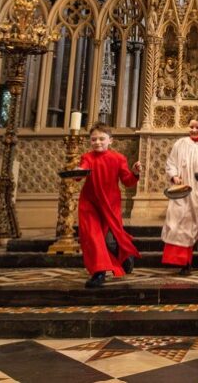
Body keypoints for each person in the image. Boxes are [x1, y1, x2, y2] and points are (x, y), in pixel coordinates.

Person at [75, 122, 140, 289]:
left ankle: (124, 256)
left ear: (110, 140)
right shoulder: (87, 157)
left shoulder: (118, 158)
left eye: (101, 139)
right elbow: (80, 173)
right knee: (93, 237)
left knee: (113, 238)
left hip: (110, 203)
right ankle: (99, 272)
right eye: (94, 139)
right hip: (89, 203)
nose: (97, 142)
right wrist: (77, 170)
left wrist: (135, 173)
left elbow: (128, 181)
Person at [160, 115, 198, 276]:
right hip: (184, 190)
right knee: (181, 224)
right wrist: (174, 176)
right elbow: (171, 163)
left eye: (197, 127)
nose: (194, 130)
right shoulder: (181, 144)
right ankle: (184, 262)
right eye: (191, 127)